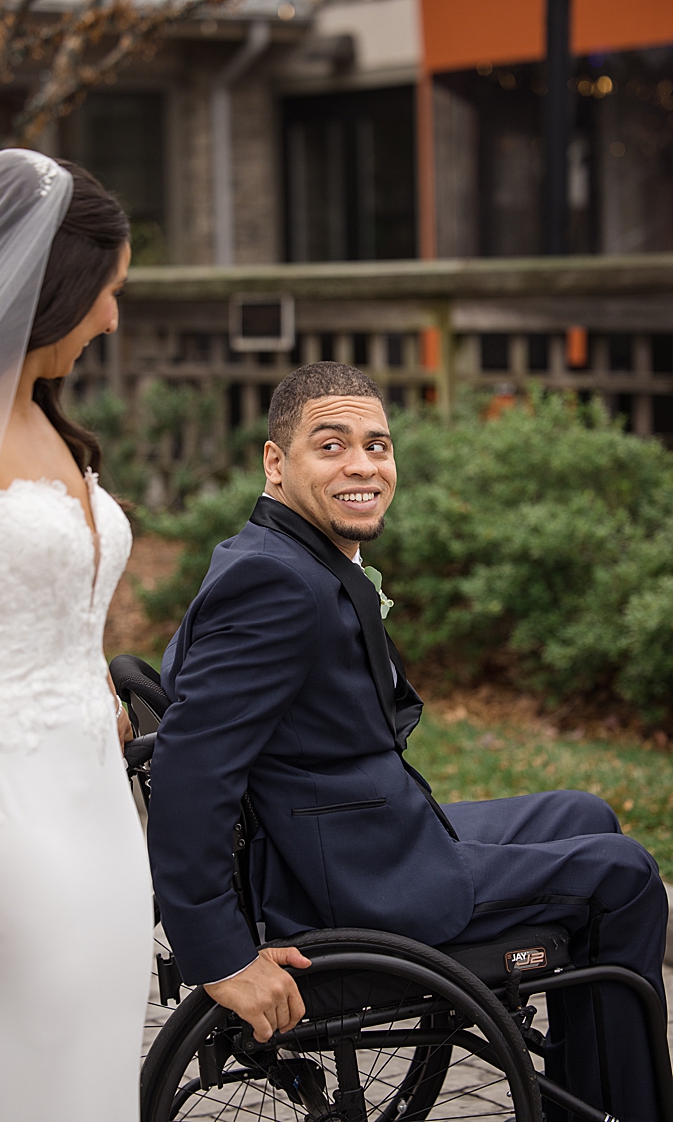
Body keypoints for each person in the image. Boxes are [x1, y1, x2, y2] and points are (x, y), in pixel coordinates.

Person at [148, 361, 669, 1120]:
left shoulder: (280, 556)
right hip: (348, 882)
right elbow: (193, 767)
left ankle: (590, 1092)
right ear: (275, 461)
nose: (363, 465)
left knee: (583, 812)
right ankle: (624, 1107)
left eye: (377, 445)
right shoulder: (277, 586)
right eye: (331, 446)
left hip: (363, 832)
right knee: (624, 876)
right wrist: (220, 954)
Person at [0, 149, 151, 1121]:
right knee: (31, 1044)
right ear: (53, 285)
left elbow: (69, 609)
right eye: (107, 291)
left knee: (100, 1032)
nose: (112, 317)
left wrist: (99, 692)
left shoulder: (54, 425)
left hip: (95, 793)